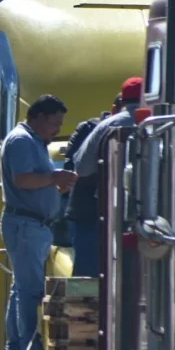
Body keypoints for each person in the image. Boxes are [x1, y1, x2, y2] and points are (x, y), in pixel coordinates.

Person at [0, 94, 78, 350]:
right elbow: (21, 179)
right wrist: (54, 177)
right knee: (30, 290)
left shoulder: (34, 140)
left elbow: (33, 181)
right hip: (26, 223)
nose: (57, 130)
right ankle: (29, 348)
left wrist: (54, 186)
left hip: (31, 224)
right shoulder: (22, 140)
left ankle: (16, 346)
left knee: (21, 288)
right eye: (54, 124)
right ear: (38, 117)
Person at [69, 78, 143, 276]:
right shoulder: (161, 122)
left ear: (122, 100)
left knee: (90, 279)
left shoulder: (106, 126)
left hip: (102, 215)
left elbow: (82, 167)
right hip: (148, 218)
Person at [63, 107, 112, 277]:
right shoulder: (89, 129)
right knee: (86, 276)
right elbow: (74, 167)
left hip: (117, 215)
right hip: (87, 213)